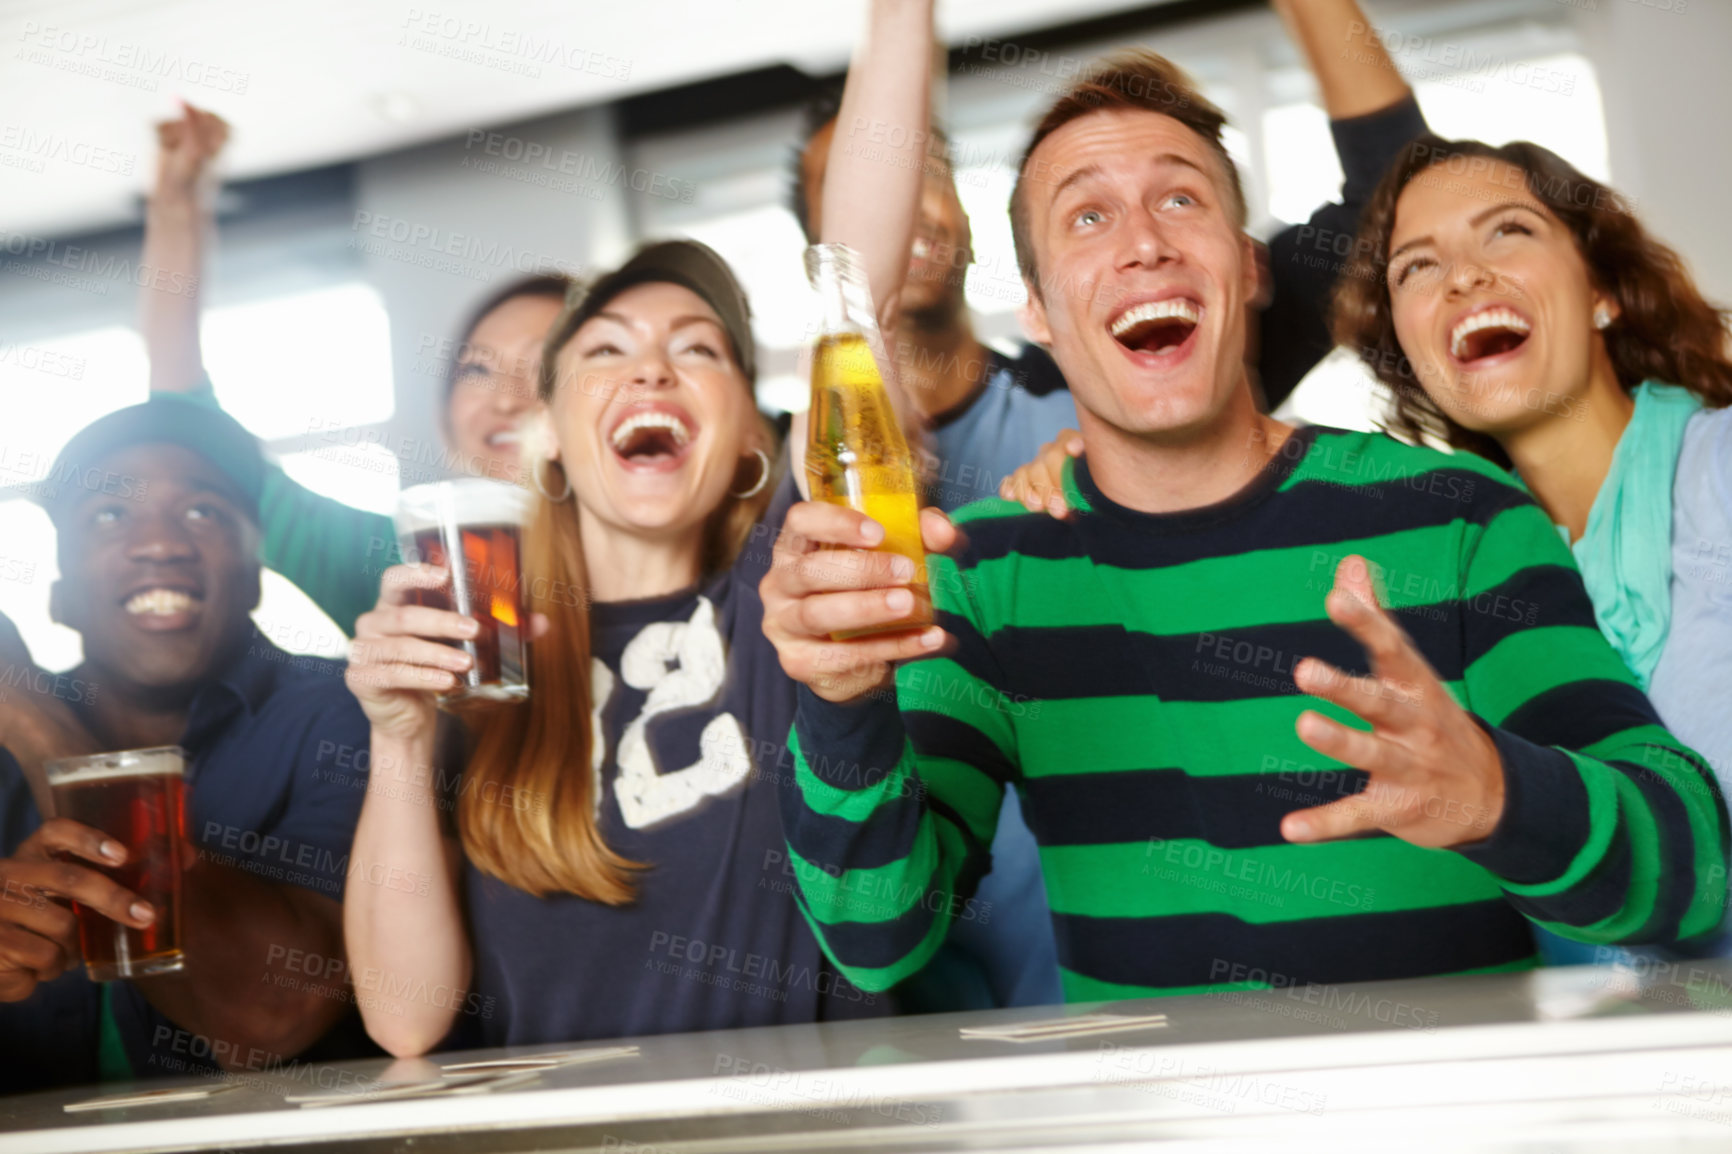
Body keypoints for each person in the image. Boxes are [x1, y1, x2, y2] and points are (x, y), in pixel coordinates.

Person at [757, 36, 1729, 1002]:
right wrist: (840, 702)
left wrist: (1500, 794)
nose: (1143, 240)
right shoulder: (986, 580)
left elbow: (1689, 875)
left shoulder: (1460, 518)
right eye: (1087, 214)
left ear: (1250, 267)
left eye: (1180, 197)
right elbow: (876, 935)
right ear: (1041, 314)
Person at [788, 0, 1433, 1011]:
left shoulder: (1137, 370)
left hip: (1143, 1000)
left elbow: (1389, 201)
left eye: (931, 174)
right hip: (962, 1011)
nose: (906, 204)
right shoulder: (820, 469)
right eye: (874, 178)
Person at [1331, 133, 1732, 954]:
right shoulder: (1446, 584)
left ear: (1602, 291)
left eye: (1507, 230)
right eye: (1417, 267)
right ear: (1410, 357)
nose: (1465, 276)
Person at [0, 400, 374, 1088]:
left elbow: (274, 1015)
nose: (162, 544)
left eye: (203, 512)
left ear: (256, 576)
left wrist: (44, 733)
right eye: (110, 516)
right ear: (59, 597)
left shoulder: (348, 716)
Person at [139, 102, 573, 636]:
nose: (506, 399)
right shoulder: (394, 563)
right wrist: (177, 207)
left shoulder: (673, 550)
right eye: (477, 372)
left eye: (543, 368)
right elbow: (188, 422)